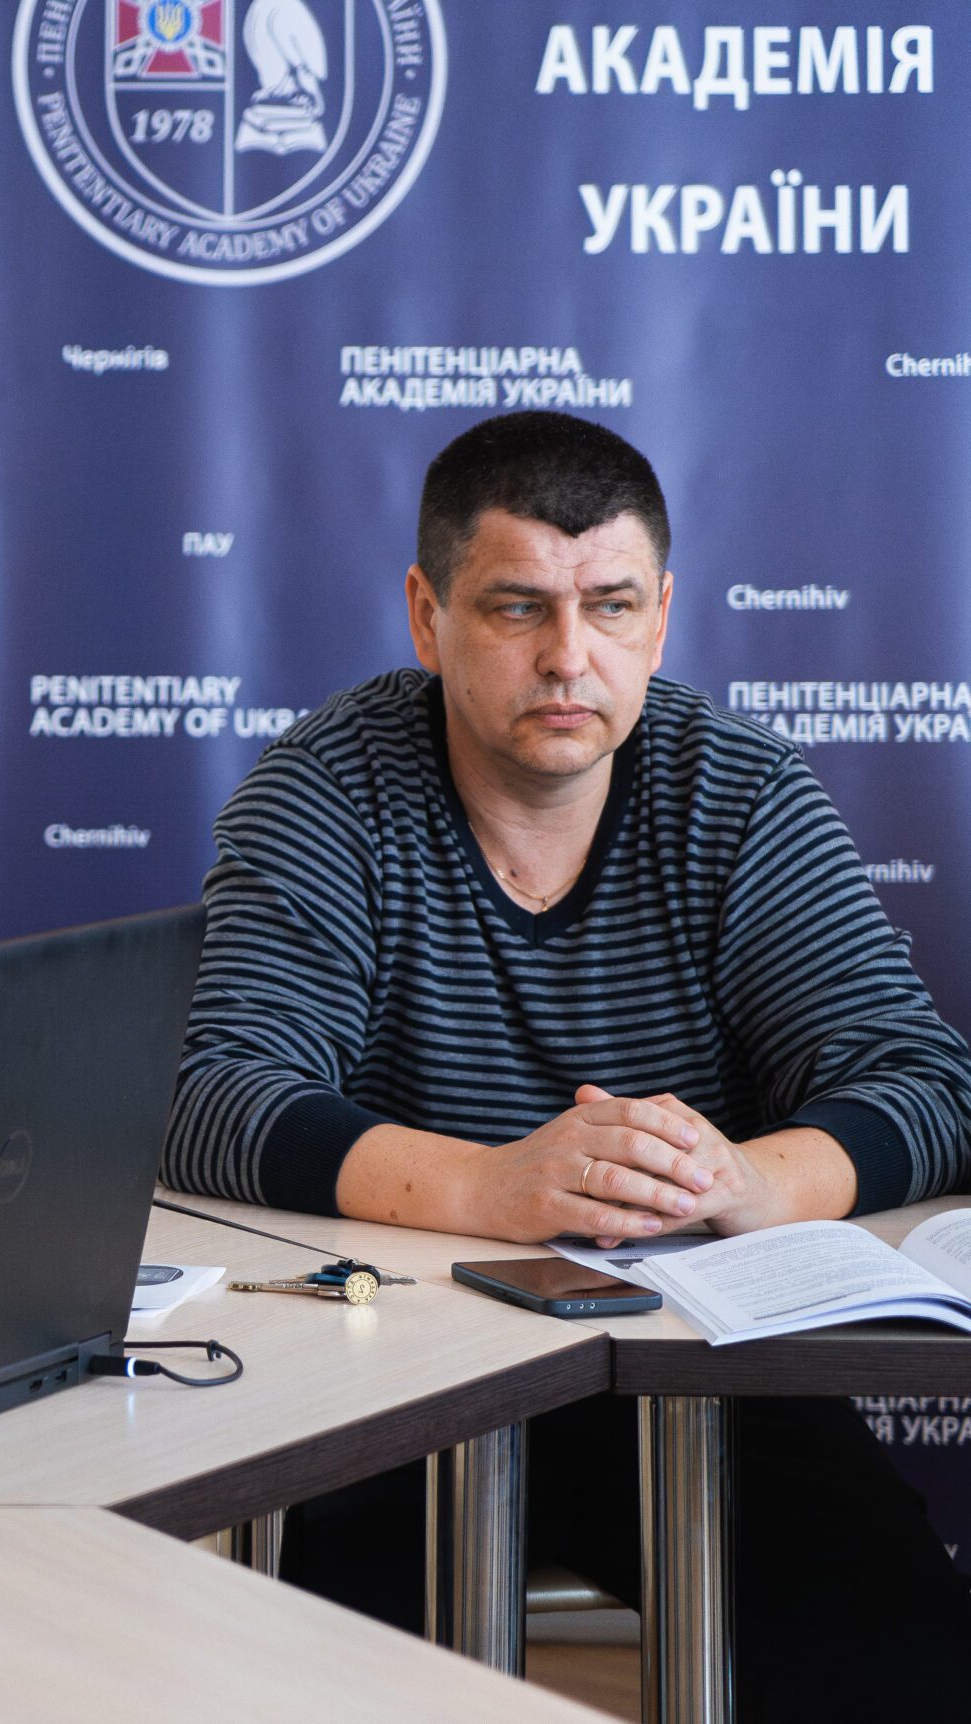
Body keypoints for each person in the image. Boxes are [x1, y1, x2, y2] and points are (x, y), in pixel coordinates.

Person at [163, 410, 971, 1715]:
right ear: (427, 617)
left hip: (698, 1373)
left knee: (912, 1664)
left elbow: (925, 1084)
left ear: (662, 619)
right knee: (319, 1691)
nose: (567, 657)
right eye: (516, 608)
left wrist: (747, 1179)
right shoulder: (323, 790)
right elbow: (210, 1094)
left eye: (610, 607)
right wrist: (492, 1187)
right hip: (385, 1381)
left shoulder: (742, 794)